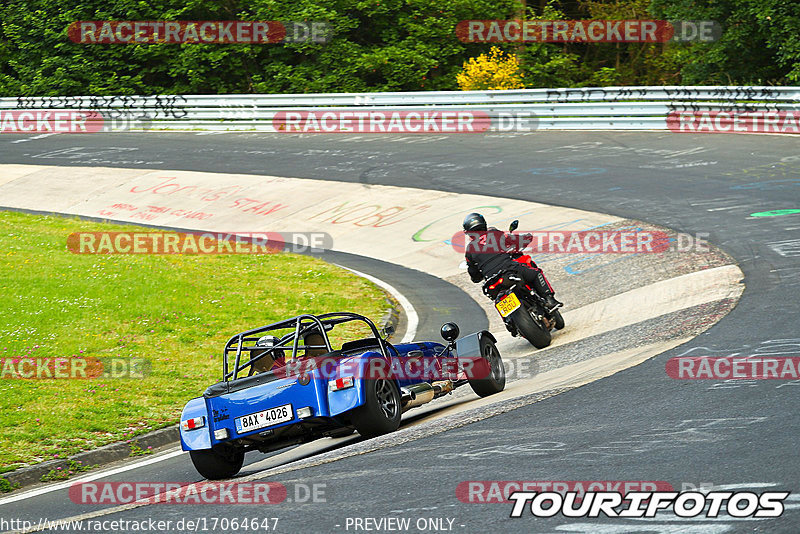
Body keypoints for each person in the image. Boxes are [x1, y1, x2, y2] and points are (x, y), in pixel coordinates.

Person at [462, 212, 562, 312]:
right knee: (536, 273)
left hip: (491, 284)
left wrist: (480, 274)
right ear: (484, 224)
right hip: (509, 270)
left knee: (496, 299)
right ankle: (550, 300)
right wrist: (526, 237)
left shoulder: (469, 250)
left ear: (468, 232)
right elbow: (515, 240)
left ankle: (509, 321)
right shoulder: (495, 234)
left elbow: (474, 274)